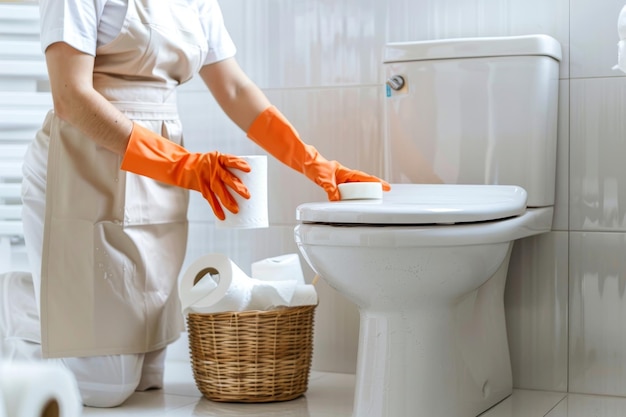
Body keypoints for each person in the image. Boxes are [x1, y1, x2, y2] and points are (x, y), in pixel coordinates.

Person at [0, 0, 390, 409]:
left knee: (146, 377)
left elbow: (235, 88)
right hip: (81, 163)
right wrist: (181, 164)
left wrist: (313, 163)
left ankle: (53, 313)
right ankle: (12, 301)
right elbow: (71, 96)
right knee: (105, 385)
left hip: (159, 172)